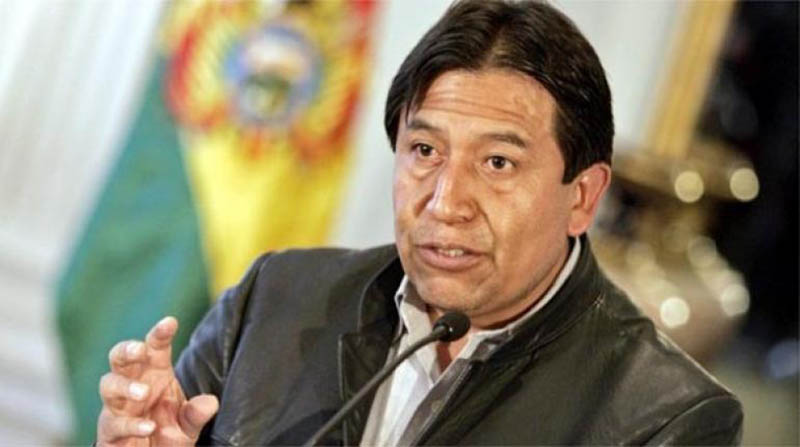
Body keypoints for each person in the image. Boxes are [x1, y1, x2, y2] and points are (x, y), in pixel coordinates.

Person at [95, 0, 743, 445]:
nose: (445, 201)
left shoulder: (666, 419)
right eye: (425, 151)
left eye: (497, 162)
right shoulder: (273, 301)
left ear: (583, 196)